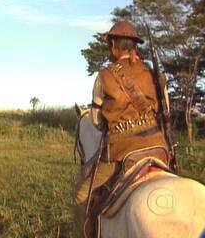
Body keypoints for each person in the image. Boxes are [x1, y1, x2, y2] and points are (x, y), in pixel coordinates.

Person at [73, 19, 170, 238]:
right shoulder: (154, 74)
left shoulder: (104, 76)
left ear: (114, 46)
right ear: (135, 46)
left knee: (80, 197)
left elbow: (97, 121)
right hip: (159, 149)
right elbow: (166, 113)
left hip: (122, 154)